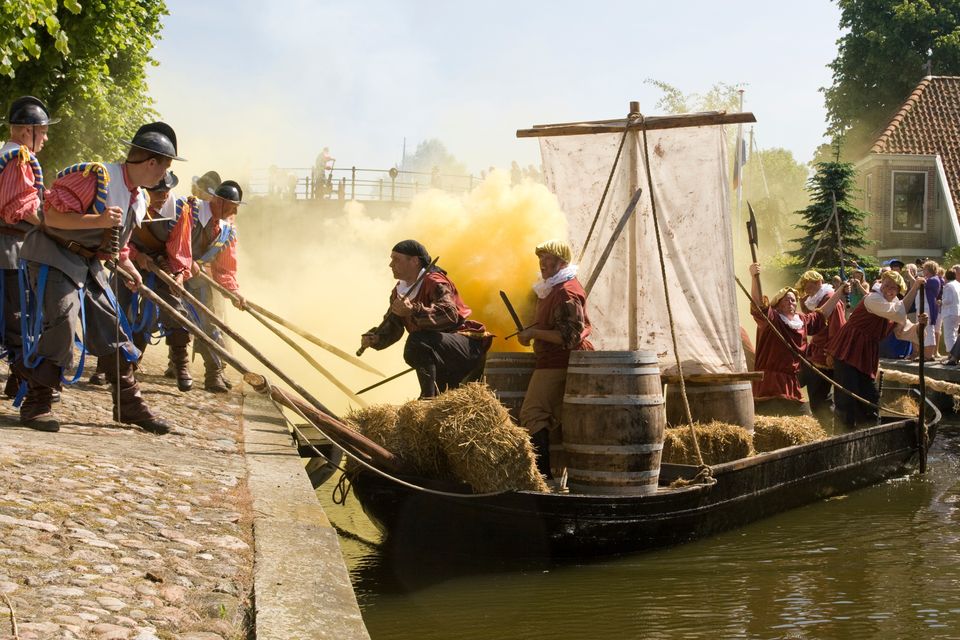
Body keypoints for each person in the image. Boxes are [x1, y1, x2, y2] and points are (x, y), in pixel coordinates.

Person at [15, 121, 186, 434]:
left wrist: (130, 268)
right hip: (52, 253)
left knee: (112, 326)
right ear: (151, 164)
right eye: (164, 168)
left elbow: (116, 248)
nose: (165, 177)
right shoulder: (94, 177)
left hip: (88, 262)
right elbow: (49, 216)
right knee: (65, 319)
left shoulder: (138, 198)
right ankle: (36, 403)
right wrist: (99, 219)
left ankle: (129, 406)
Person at [359, 239, 490, 399]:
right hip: (437, 350)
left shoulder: (434, 281)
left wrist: (412, 310)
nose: (391, 265)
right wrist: (376, 338)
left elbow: (449, 313)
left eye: (396, 259)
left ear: (414, 261)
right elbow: (392, 326)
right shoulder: (397, 292)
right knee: (443, 396)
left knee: (416, 342)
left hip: (464, 346)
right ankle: (431, 400)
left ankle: (427, 399)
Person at [517, 240, 593, 478]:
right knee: (556, 420)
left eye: (548, 258)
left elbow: (568, 337)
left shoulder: (565, 292)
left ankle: (542, 477)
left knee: (533, 413)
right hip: (556, 360)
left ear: (562, 262)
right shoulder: (552, 289)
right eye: (541, 258)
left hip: (558, 361)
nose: (542, 262)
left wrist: (533, 333)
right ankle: (554, 478)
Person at [0, 96, 58, 401]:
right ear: (27, 132)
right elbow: (22, 206)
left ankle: (17, 380)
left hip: (9, 247)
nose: (46, 139)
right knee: (17, 317)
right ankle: (30, 383)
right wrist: (54, 226)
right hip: (8, 250)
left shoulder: (3, 152)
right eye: (43, 131)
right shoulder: (18, 158)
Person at [122, 170, 195, 391]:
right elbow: (121, 235)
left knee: (174, 307)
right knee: (120, 305)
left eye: (165, 190)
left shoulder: (180, 208)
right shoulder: (132, 200)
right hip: (129, 258)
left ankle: (181, 363)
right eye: (156, 190)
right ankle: (115, 364)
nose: (162, 194)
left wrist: (179, 275)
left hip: (163, 262)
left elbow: (180, 247)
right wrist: (136, 256)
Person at [827, 270, 924, 428]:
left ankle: (870, 430)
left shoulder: (893, 305)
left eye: (893, 288)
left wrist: (921, 325)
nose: (888, 290)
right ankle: (842, 434)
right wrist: (916, 287)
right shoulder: (873, 299)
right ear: (881, 285)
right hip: (849, 347)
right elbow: (897, 313)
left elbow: (904, 331)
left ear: (898, 291)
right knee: (847, 395)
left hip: (867, 352)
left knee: (869, 397)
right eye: (886, 285)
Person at [176, 179, 246, 392]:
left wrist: (233, 292)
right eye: (233, 205)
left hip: (199, 281)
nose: (235, 210)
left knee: (210, 324)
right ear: (219, 201)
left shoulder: (227, 230)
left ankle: (214, 374)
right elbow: (175, 240)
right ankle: (124, 366)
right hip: (172, 272)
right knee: (167, 319)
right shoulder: (188, 210)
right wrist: (186, 263)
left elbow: (224, 268)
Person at [748, 264, 846, 416]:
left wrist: (839, 291)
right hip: (771, 383)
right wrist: (754, 277)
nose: (791, 303)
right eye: (786, 300)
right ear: (778, 304)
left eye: (793, 300)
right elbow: (757, 305)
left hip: (791, 382)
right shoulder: (772, 319)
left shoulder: (801, 320)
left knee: (803, 419)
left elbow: (822, 314)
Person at [796, 270, 847, 422]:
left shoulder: (831, 300)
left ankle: (827, 430)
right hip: (814, 355)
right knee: (796, 382)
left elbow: (837, 329)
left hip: (823, 357)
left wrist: (831, 354)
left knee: (820, 400)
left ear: (819, 282)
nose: (806, 288)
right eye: (804, 285)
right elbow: (812, 318)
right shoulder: (818, 299)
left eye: (808, 284)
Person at [940, 266, 960, 355]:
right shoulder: (958, 284)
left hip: (949, 313)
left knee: (949, 335)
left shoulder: (948, 285)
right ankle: (955, 354)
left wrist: (940, 302)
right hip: (957, 312)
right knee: (954, 334)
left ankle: (951, 355)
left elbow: (948, 300)